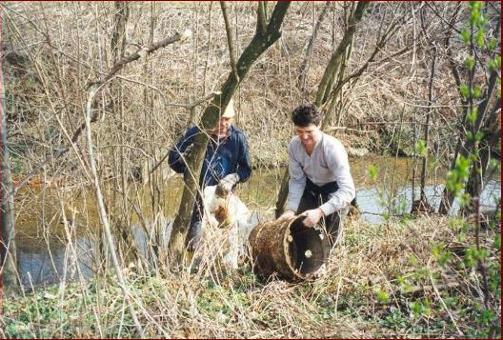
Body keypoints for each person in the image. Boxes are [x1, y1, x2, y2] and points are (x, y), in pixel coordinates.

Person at [168, 99, 252, 250]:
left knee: (226, 245)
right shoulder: (198, 133)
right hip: (198, 202)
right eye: (219, 119)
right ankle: (193, 270)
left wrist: (233, 178)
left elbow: (246, 170)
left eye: (226, 119)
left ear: (231, 119)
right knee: (195, 246)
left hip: (224, 203)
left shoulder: (238, 138)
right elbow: (173, 161)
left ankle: (223, 271)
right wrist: (186, 162)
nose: (222, 123)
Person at [278, 103, 355, 246]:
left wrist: (320, 211)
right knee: (299, 233)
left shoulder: (333, 149)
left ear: (319, 125)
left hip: (335, 192)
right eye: (299, 131)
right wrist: (291, 209)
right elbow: (297, 180)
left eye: (309, 131)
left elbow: (348, 191)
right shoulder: (294, 146)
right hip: (311, 189)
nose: (304, 137)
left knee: (328, 242)